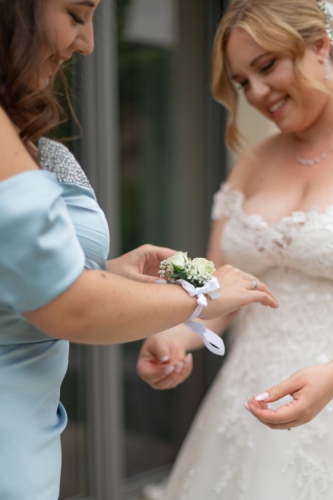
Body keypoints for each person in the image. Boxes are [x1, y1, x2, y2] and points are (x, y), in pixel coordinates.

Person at [0, 1, 278, 498]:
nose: (87, 44)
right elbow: (70, 304)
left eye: (268, 65)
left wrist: (108, 271)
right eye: (77, 13)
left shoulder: (24, 140)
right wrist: (198, 301)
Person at [136, 1, 333, 498]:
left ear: (320, 47)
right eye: (243, 81)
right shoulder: (252, 161)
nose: (257, 93)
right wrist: (178, 338)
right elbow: (220, 295)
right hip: (244, 405)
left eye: (266, 66)